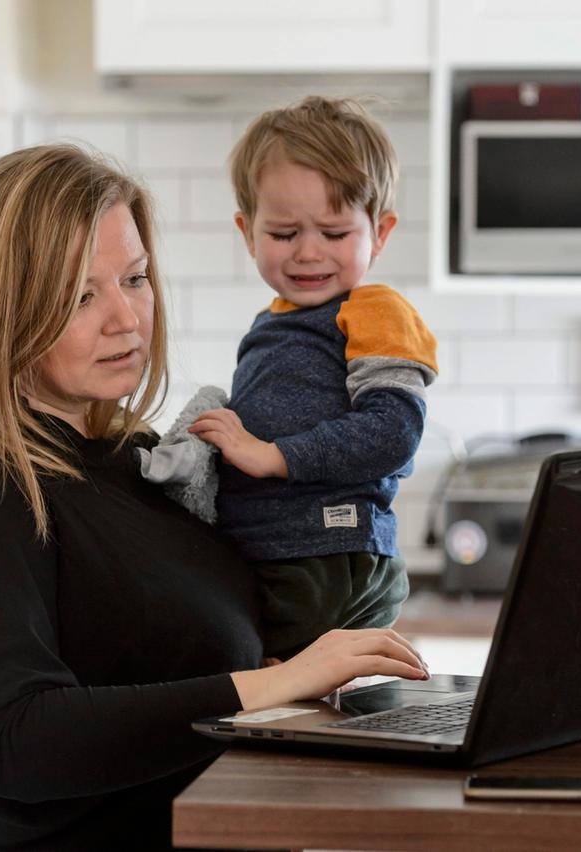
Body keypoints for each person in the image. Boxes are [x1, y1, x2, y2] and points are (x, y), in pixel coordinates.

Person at [0, 144, 429, 851]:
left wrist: (287, 673)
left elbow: (159, 665)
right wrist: (264, 689)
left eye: (134, 278)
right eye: (80, 296)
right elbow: (13, 741)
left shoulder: (134, 460)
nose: (126, 319)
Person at [188, 96, 439, 660]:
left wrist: (274, 455)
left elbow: (394, 430)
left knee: (230, 670)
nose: (307, 253)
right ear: (246, 230)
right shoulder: (269, 322)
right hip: (280, 556)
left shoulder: (375, 310)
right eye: (282, 234)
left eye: (333, 232)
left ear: (380, 232)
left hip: (328, 558)